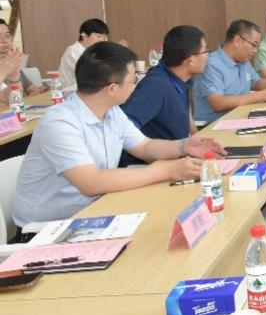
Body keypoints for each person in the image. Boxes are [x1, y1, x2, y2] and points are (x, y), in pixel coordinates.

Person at [11, 42, 224, 227]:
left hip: (97, 210)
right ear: (112, 88)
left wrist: (183, 146)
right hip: (49, 229)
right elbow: (91, 182)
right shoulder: (60, 123)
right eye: (132, 80)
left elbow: (144, 147)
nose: (135, 86)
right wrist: (169, 170)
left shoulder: (111, 111)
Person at [119, 25, 210, 167]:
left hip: (175, 158)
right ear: (191, 60)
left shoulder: (181, 78)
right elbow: (124, 126)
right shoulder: (156, 85)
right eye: (205, 51)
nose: (207, 55)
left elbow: (187, 118)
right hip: (146, 166)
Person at [193, 19, 266, 124]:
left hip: (241, 117)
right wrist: (260, 96)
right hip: (214, 125)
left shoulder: (243, 60)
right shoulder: (211, 64)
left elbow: (256, 82)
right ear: (237, 41)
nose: (255, 51)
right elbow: (218, 104)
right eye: (254, 45)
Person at [57, 18, 126, 93]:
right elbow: (96, 73)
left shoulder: (93, 50)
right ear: (84, 36)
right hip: (73, 93)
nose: (102, 40)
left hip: (89, 91)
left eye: (104, 37)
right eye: (98, 36)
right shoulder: (73, 51)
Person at [0, 18, 44, 100]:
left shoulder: (12, 63)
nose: (4, 40)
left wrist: (14, 79)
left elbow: (32, 89)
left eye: (7, 36)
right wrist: (3, 72)